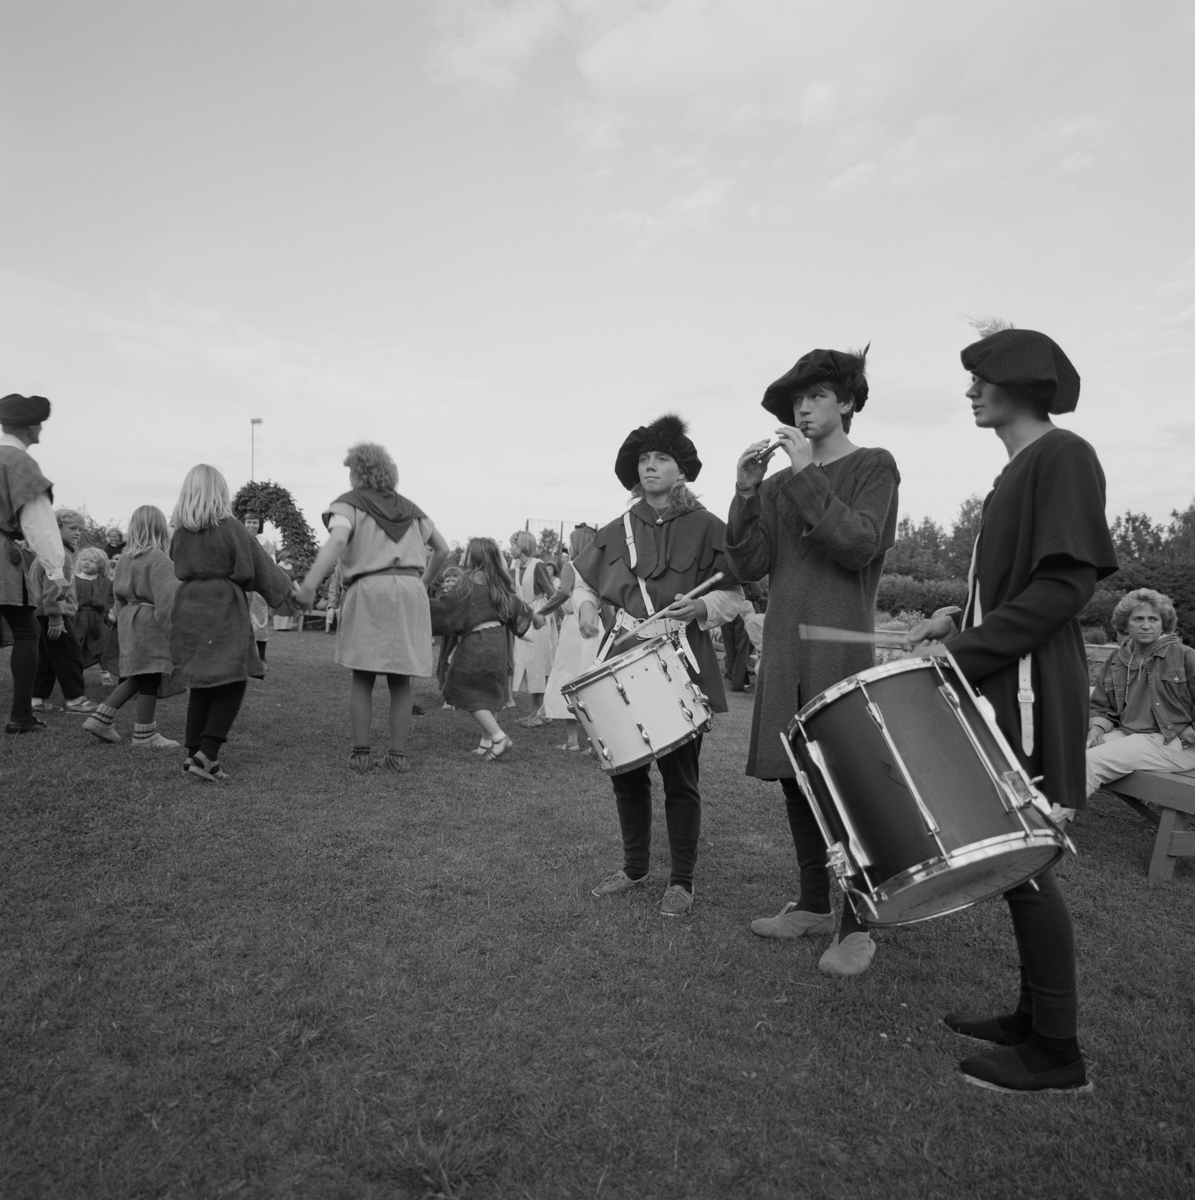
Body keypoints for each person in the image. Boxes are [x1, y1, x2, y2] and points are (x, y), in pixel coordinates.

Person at [906, 325, 1117, 1093]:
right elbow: (1013, 591)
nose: (969, 391)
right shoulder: (1016, 470)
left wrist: (961, 652)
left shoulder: (1063, 454)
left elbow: (1063, 589)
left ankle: (1057, 1051)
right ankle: (1034, 1019)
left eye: (981, 377)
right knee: (1016, 859)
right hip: (1001, 679)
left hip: (1028, 688)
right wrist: (954, 621)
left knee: (1026, 860)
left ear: (1022, 384)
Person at [726, 347, 899, 976]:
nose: (802, 408)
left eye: (817, 395)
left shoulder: (875, 465)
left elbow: (858, 544)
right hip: (785, 648)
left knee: (846, 784)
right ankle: (812, 904)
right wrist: (747, 492)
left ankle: (857, 925)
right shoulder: (777, 486)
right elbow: (749, 565)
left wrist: (804, 475)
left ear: (847, 402)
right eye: (797, 399)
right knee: (794, 776)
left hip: (839, 647)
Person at [572, 414, 745, 917]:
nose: (650, 466)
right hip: (622, 654)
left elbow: (736, 595)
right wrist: (585, 606)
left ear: (681, 470)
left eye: (662, 459)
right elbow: (584, 582)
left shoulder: (710, 526)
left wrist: (703, 607)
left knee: (680, 777)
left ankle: (682, 880)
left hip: (680, 658)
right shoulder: (617, 528)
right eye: (644, 459)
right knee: (625, 773)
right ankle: (634, 868)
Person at [294, 442, 449, 774]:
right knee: (401, 679)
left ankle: (361, 754)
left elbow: (338, 539)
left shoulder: (348, 505)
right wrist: (421, 582)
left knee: (362, 676)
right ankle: (398, 755)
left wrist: (309, 585)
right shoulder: (412, 510)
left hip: (369, 590)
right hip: (409, 590)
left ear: (357, 472)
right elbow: (443, 549)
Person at [170, 465, 296, 782]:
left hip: (188, 606)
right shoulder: (231, 528)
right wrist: (287, 591)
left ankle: (194, 755)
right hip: (222, 607)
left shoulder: (180, 533)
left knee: (202, 681)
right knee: (233, 677)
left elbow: (175, 564)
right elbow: (260, 566)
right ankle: (207, 753)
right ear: (221, 492)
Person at [430, 537, 543, 760]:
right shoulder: (498, 584)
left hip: (476, 644)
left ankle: (499, 738)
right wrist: (534, 617)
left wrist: (420, 603)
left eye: (466, 551)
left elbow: (447, 609)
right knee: (490, 695)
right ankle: (485, 743)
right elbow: (517, 605)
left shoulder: (466, 584)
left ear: (473, 557)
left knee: (464, 691)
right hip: (498, 643)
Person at [0, 393, 72, 733]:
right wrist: (56, 570)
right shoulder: (20, 463)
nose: (41, 428)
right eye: (39, 423)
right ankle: (20, 715)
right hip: (2, 556)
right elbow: (38, 523)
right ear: (30, 427)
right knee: (27, 632)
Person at [1083, 588, 1195, 806]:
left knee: (1090, 761)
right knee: (1070, 754)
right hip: (1129, 734)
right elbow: (1101, 706)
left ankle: (1049, 822)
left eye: (1153, 619)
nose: (1146, 625)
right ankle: (1029, 812)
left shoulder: (1184, 656)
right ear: (1125, 624)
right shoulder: (1116, 660)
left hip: (1175, 743)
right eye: (1138, 619)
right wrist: (1097, 727)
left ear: (1163, 624)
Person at [83, 505, 182, 748]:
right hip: (149, 619)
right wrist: (175, 631)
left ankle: (100, 718)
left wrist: (117, 616)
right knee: (150, 674)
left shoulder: (126, 557)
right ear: (160, 528)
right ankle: (144, 734)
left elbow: (117, 594)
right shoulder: (159, 558)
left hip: (128, 617)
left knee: (140, 674)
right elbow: (166, 599)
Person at [29, 509, 99, 715]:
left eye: (80, 529)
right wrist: (56, 618)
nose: (77, 533)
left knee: (47, 658)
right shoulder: (60, 555)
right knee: (71, 655)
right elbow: (54, 587)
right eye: (72, 528)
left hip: (40, 614)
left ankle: (36, 700)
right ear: (54, 529)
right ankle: (75, 699)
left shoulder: (44, 552)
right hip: (54, 615)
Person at [540, 524, 602, 751]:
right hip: (595, 625)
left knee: (566, 677)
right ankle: (595, 743)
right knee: (590, 680)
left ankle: (573, 740)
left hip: (573, 627)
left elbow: (563, 592)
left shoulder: (571, 565)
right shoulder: (599, 569)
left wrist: (543, 611)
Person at [509, 530, 559, 727]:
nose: (510, 548)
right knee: (528, 663)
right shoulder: (516, 566)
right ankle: (535, 710)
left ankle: (543, 712)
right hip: (524, 616)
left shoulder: (537, 565)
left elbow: (552, 593)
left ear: (522, 546)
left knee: (539, 662)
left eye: (513, 544)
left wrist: (563, 617)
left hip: (539, 616)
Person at [71, 546, 118, 686]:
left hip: (98, 619)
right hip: (78, 618)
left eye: (92, 561)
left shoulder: (105, 582)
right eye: (84, 559)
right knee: (77, 645)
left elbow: (109, 600)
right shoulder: (73, 580)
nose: (86, 563)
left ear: (100, 565)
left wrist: (110, 613)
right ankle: (76, 674)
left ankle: (105, 673)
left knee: (103, 644)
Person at [241, 512, 272, 663]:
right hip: (241, 585)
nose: (251, 525)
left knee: (260, 621)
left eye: (255, 522)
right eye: (249, 522)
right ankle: (242, 656)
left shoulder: (266, 543)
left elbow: (271, 565)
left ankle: (262, 658)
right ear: (244, 523)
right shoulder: (238, 539)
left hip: (258, 587)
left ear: (259, 525)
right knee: (240, 619)